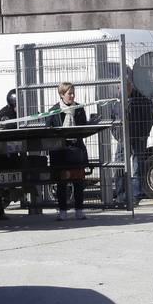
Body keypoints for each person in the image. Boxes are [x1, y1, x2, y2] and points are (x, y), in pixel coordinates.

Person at [44, 82, 89, 220]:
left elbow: (83, 127)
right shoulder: (54, 110)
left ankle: (79, 210)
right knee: (62, 182)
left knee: (79, 181)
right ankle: (62, 211)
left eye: (73, 93)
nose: (72, 96)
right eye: (69, 93)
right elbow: (48, 129)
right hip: (60, 151)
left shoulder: (79, 109)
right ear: (62, 94)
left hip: (76, 149)